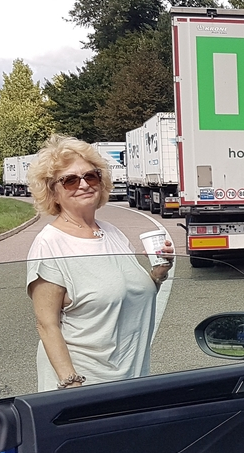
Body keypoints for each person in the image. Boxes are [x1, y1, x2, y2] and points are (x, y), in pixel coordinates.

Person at [25, 135, 173, 392]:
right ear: (53, 192)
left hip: (131, 378)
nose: (84, 184)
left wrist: (158, 274)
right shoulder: (50, 244)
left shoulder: (112, 233)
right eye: (70, 180)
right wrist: (72, 384)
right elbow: (47, 325)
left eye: (91, 176)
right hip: (85, 386)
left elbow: (126, 295)